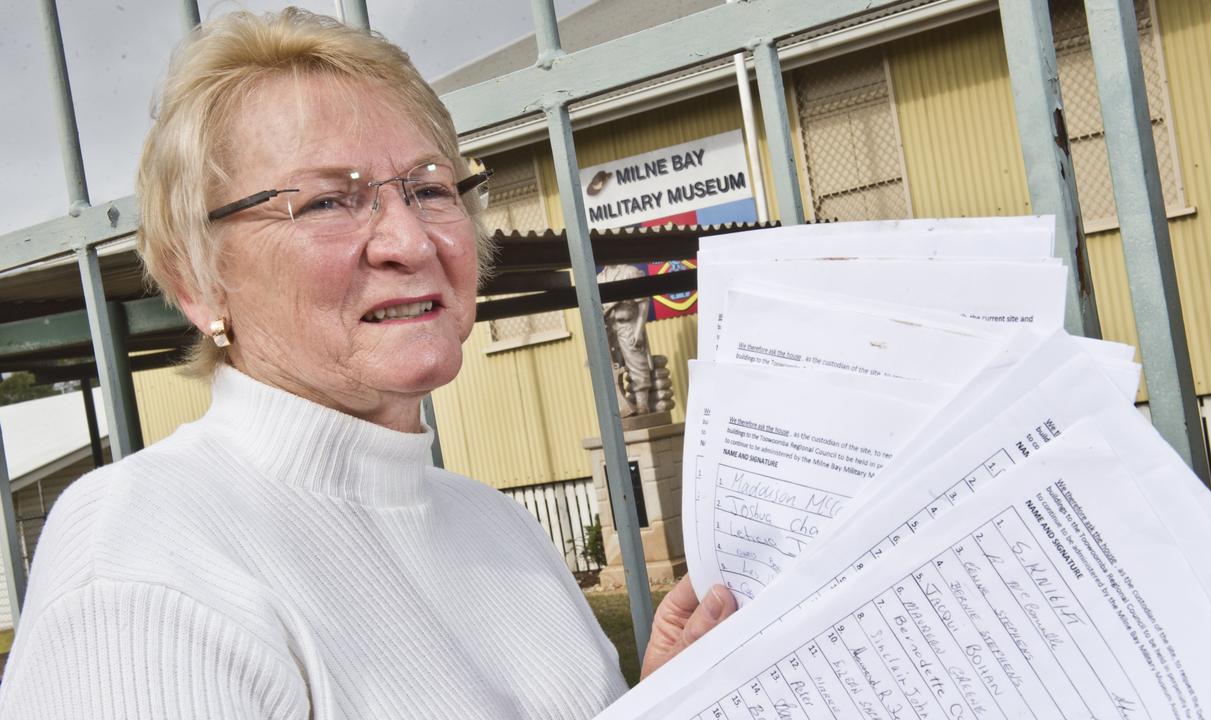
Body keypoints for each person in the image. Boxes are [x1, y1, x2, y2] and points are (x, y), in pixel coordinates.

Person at [0, 9, 735, 719]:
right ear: (198, 281)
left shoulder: (499, 527)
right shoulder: (140, 555)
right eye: (326, 202)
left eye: (427, 188)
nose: (411, 242)